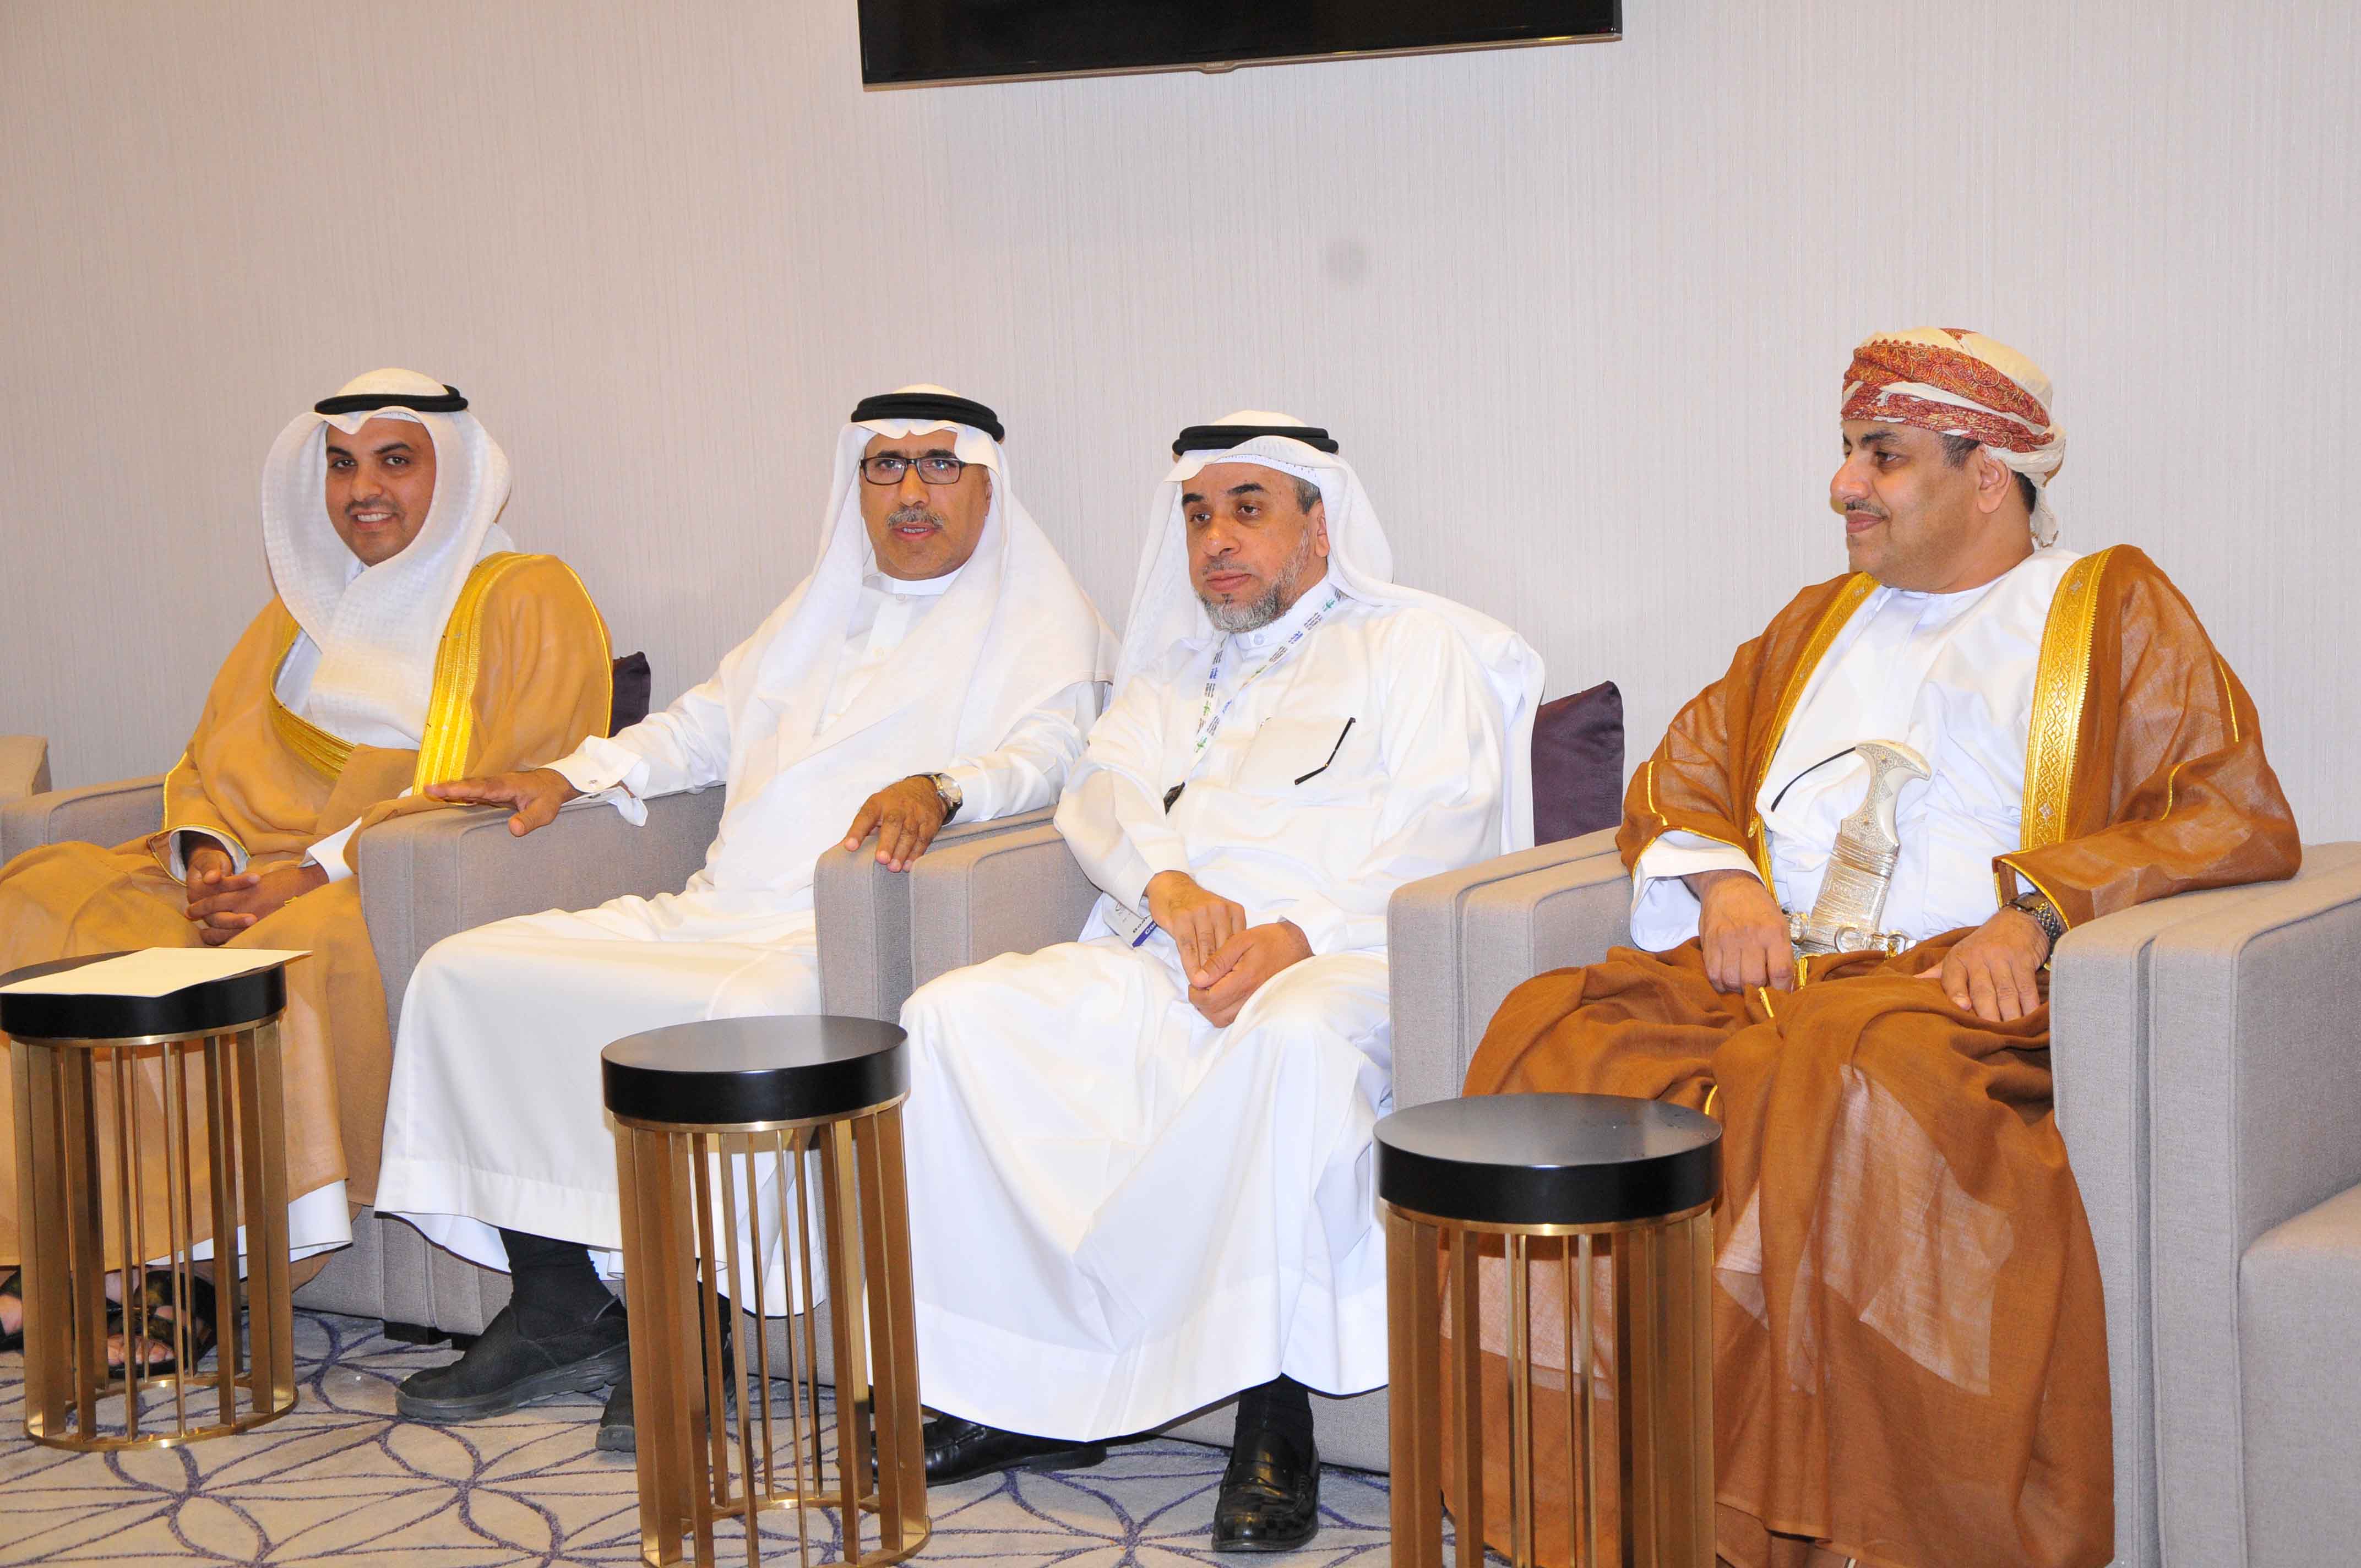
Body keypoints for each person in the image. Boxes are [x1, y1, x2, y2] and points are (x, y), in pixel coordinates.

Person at [1457, 329, 2300, 1568]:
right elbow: (1683, 773)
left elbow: (2230, 810)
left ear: (1988, 474)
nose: (1843, 485)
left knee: (1833, 1066)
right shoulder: (1817, 621)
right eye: (1849, 451)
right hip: (1771, 976)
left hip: (1945, 991)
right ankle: (1599, 1500)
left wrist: (2037, 912)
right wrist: (1726, 886)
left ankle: (1817, 1529)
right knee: (1556, 1029)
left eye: (1882, 456)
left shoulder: (2107, 605)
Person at [378, 386, 1113, 1449]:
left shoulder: (1043, 621)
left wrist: (945, 788)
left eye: (939, 466)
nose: (911, 491)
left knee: (733, 1014)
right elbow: (700, 729)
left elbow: (1048, 756)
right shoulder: (817, 606)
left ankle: (692, 1323)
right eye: (886, 466)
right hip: (713, 909)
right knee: (465, 970)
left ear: (989, 487)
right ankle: (559, 1303)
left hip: (836, 935)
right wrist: (571, 774)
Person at [900, 414, 1543, 1551]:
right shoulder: (1176, 671)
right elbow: (1102, 791)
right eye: (1198, 516)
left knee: (1286, 1039)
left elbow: (1448, 825)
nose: (1216, 541)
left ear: (1319, 526)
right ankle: (1018, 1387)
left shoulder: (1414, 648)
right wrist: (1167, 884)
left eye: (1248, 509)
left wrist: (1301, 934)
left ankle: (1272, 1407)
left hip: (1346, 963)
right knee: (952, 1016)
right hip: (1170, 956)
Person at [0, 369, 613, 1369]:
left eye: (395, 461)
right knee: (42, 898)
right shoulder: (294, 609)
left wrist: (306, 876)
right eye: (341, 465)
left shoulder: (526, 596)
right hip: (251, 867)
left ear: (456, 475)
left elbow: (509, 777)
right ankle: (66, 1252)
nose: (363, 490)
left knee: (282, 957)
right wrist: (211, 860)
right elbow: (209, 760)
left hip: (377, 878)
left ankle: (198, 1278)